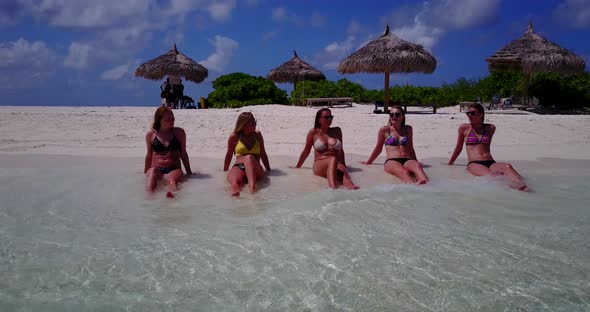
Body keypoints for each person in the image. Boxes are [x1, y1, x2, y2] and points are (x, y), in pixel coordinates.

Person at [448, 103, 528, 191]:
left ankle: (522, 186)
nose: (470, 115)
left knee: (508, 167)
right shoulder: (464, 128)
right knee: (491, 176)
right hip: (474, 163)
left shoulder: (490, 128)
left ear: (481, 114)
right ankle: (507, 188)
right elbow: (458, 148)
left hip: (491, 162)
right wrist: (450, 163)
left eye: (473, 113)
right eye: (468, 113)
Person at [361, 105, 429, 184]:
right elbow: (378, 148)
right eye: (391, 114)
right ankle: (413, 190)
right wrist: (368, 162)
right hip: (392, 161)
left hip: (408, 159)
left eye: (397, 114)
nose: (394, 116)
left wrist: (416, 161)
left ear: (402, 116)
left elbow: (411, 147)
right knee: (404, 172)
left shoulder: (408, 129)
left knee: (418, 168)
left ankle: (429, 189)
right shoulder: (385, 130)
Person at [293, 108, 359, 190]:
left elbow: (341, 151)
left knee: (343, 175)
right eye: (326, 117)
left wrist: (344, 165)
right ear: (319, 119)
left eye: (331, 117)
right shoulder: (313, 132)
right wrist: (297, 166)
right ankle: (333, 187)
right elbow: (306, 151)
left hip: (336, 163)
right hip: (319, 164)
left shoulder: (337, 131)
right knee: (333, 159)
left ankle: (353, 189)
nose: (329, 119)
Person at [144, 107, 192, 198]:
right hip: (157, 169)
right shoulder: (151, 134)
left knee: (172, 180)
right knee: (153, 172)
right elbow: (149, 156)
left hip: (174, 169)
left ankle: (174, 198)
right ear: (159, 120)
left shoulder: (179, 133)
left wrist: (189, 173)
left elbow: (184, 154)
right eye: (168, 119)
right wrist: (145, 172)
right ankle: (149, 198)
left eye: (173, 118)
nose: (172, 121)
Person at [223, 112, 271, 196]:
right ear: (243, 124)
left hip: (255, 168)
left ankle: (252, 190)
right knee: (234, 183)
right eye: (252, 123)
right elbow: (229, 155)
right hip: (239, 166)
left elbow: (263, 153)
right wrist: (224, 170)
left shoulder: (257, 135)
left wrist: (268, 170)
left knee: (249, 158)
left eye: (255, 122)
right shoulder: (234, 137)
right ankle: (236, 202)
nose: (255, 124)